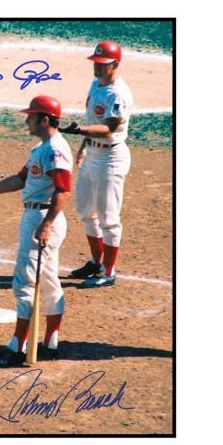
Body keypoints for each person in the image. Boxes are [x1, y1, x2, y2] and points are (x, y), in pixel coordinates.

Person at [0, 95, 72, 365]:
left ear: (45, 119)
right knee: (48, 281)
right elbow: (22, 179)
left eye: (31, 116)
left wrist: (46, 224)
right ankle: (50, 343)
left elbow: (63, 191)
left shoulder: (55, 150)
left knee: (25, 282)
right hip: (39, 216)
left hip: (42, 217)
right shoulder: (41, 148)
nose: (26, 120)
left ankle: (17, 348)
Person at [60, 40, 134, 288]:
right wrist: (84, 146)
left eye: (103, 63)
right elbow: (94, 119)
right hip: (92, 154)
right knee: (85, 211)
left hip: (110, 159)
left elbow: (108, 128)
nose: (97, 67)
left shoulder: (118, 94)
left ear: (116, 64)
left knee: (108, 218)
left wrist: (79, 130)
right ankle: (95, 262)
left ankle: (109, 272)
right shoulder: (96, 83)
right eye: (96, 62)